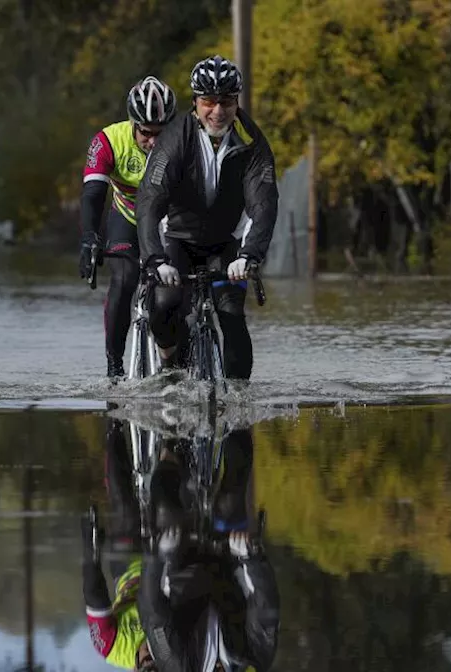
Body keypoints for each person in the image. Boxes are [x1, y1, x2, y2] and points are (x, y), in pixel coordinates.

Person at [135, 55, 279, 380]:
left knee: (231, 313)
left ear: (237, 101)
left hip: (227, 243)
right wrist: (155, 259)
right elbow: (150, 200)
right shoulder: (174, 138)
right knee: (167, 302)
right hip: (178, 239)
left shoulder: (252, 142)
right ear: (196, 102)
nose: (217, 111)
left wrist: (249, 254)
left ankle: (239, 410)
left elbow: (264, 203)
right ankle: (169, 360)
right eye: (209, 102)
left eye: (226, 102)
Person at [136, 427, 281, 672]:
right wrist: (251, 558)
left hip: (180, 569)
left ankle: (169, 443)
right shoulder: (253, 661)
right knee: (231, 494)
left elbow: (154, 613)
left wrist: (157, 557)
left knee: (164, 504)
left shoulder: (175, 663)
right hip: (227, 562)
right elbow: (266, 608)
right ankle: (239, 412)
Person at [80, 75, 179, 378]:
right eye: (147, 133)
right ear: (133, 124)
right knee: (124, 280)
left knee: (177, 289)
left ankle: (177, 357)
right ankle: (115, 367)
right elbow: (94, 194)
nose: (153, 142)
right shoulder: (109, 141)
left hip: (169, 220)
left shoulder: (184, 142)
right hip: (128, 217)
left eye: (161, 134)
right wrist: (89, 238)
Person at [82, 417, 153, 670]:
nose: (151, 654)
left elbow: (94, 595)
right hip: (168, 562)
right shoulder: (177, 655)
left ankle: (114, 419)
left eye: (147, 662)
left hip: (130, 564)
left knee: (123, 502)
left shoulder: (111, 648)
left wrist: (91, 554)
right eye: (158, 665)